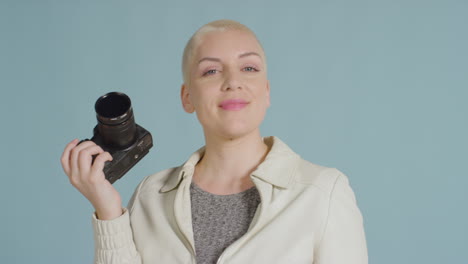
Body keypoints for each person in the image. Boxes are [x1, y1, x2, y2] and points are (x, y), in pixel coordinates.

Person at [61, 19, 368, 264]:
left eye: (249, 68)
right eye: (211, 71)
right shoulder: (150, 196)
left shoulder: (323, 194)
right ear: (187, 97)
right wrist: (107, 209)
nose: (233, 81)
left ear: (267, 91)